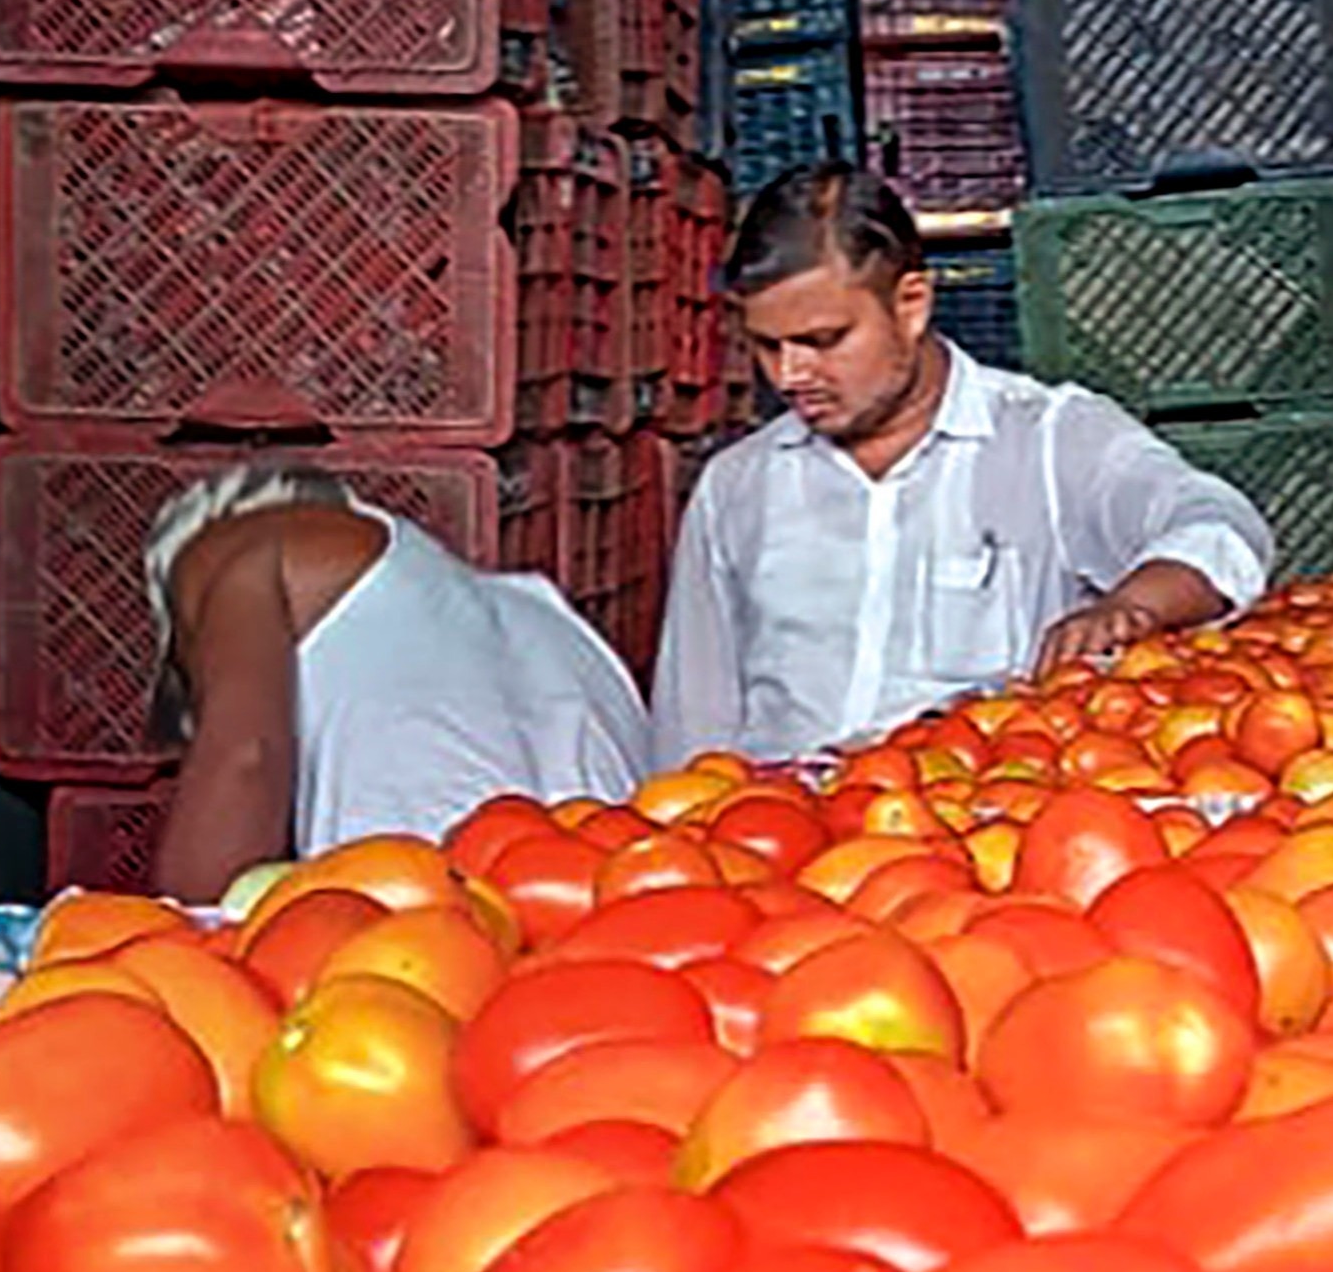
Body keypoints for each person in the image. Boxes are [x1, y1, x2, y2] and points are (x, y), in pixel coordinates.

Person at [648, 164, 1274, 767]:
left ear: (912, 305)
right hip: (770, 841)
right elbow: (693, 724)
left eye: (823, 340)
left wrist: (1131, 606)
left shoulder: (1048, 439)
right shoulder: (737, 487)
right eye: (766, 346)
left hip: (976, 836)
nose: (789, 375)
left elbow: (1220, 528)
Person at [142, 460, 649, 902]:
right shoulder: (543, 613)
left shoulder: (235, 543)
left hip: (427, 928)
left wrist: (166, 951)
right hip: (624, 919)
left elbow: (246, 760)